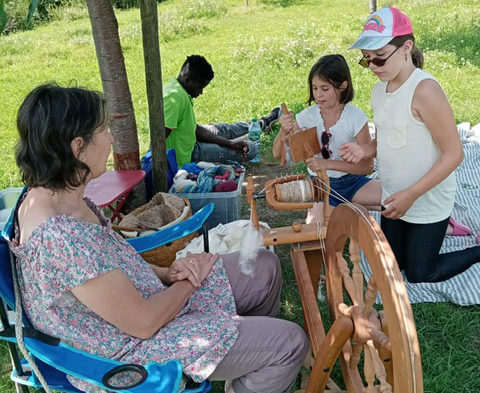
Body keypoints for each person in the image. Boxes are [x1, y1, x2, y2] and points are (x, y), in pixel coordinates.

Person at [9, 84, 309, 393]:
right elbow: (143, 323)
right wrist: (188, 282)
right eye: (104, 130)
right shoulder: (61, 239)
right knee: (289, 343)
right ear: (77, 147)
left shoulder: (61, 196)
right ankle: (258, 360)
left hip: (144, 306)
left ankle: (246, 372)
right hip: (130, 353)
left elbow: (109, 265)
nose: (112, 139)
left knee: (263, 267)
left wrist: (168, 272)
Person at [341, 6, 480, 283]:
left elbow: (455, 154)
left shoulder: (425, 91)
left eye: (379, 59)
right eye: (366, 60)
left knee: (419, 273)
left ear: (407, 47)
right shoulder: (380, 89)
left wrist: (412, 195)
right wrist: (365, 150)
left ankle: (476, 250)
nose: (372, 67)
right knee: (394, 264)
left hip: (425, 198)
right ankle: (443, 230)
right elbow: (388, 136)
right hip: (394, 195)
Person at [274, 54, 381, 220]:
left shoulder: (355, 117)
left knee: (395, 200)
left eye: (325, 89)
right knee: (316, 236)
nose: (318, 95)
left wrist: (328, 164)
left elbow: (367, 167)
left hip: (352, 184)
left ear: (343, 85)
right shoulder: (306, 118)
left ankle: (353, 209)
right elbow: (277, 154)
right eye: (315, 88)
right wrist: (284, 131)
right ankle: (347, 210)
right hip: (320, 186)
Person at [164, 55, 281, 167]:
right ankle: (254, 129)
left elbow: (196, 130)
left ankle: (260, 124)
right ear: (188, 80)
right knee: (251, 149)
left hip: (192, 140)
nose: (201, 92)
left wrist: (229, 143)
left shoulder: (179, 90)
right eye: (200, 87)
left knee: (224, 129)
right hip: (190, 155)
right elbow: (159, 138)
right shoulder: (174, 98)